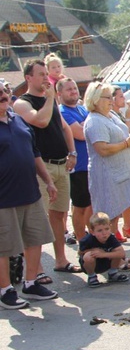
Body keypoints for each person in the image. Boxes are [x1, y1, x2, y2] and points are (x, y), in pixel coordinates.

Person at [13, 59, 81, 275]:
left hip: (61, 166)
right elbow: (40, 121)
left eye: (46, 74)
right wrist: (51, 96)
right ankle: (36, 269)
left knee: (59, 215)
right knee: (37, 219)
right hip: (42, 168)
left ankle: (61, 260)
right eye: (40, 74)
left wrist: (72, 152)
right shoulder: (23, 103)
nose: (45, 78)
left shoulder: (49, 100)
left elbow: (64, 128)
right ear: (28, 78)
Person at [0, 82, 59, 309]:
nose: (5, 97)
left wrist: (48, 181)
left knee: (35, 239)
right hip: (4, 197)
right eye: (0, 96)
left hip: (30, 193)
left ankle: (31, 283)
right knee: (4, 246)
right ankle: (5, 290)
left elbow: (34, 153)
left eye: (5, 93)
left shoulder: (17, 120)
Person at [82, 81, 130, 260]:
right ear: (95, 99)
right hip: (106, 176)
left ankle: (112, 256)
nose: (111, 100)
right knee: (103, 219)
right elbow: (103, 149)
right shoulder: (94, 121)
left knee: (113, 217)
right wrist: (127, 143)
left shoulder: (109, 116)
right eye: (107, 97)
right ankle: (102, 257)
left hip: (117, 174)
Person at [57, 77, 93, 243]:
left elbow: (87, 128)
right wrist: (88, 124)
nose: (73, 91)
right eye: (68, 89)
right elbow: (81, 133)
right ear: (59, 93)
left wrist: (85, 123)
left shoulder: (82, 110)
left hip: (91, 165)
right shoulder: (62, 111)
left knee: (91, 205)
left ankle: (92, 237)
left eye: (74, 88)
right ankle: (81, 241)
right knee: (80, 205)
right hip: (78, 167)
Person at [111, 86, 130, 241]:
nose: (124, 99)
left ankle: (127, 225)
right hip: (117, 160)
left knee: (127, 195)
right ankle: (115, 229)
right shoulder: (110, 115)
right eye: (120, 96)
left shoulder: (119, 114)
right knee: (118, 197)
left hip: (126, 159)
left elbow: (126, 133)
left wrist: (128, 117)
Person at [78, 212, 130, 288]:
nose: (104, 233)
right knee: (88, 256)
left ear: (110, 227)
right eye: (99, 230)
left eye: (106, 229)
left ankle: (113, 273)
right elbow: (80, 252)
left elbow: (121, 253)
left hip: (106, 261)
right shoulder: (87, 240)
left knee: (116, 252)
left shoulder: (111, 238)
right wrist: (93, 251)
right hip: (93, 263)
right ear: (92, 232)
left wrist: (103, 254)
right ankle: (92, 276)